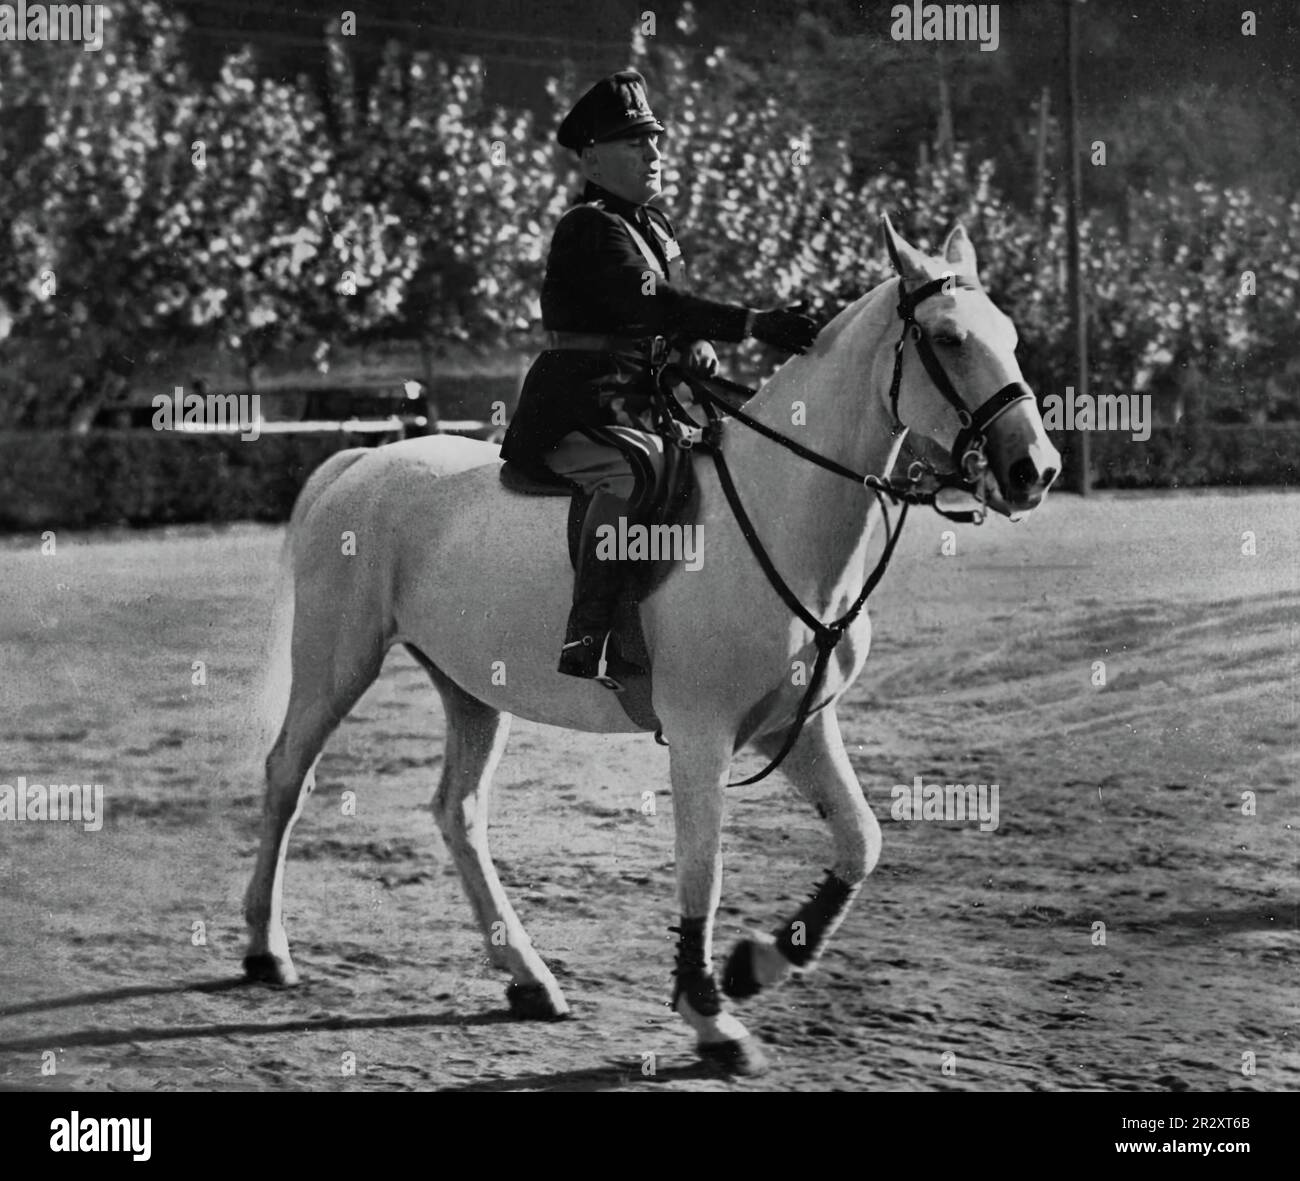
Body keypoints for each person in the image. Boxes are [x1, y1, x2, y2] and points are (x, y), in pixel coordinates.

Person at [500, 68, 820, 690]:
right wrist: (750, 323)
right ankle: (588, 632)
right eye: (633, 142)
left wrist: (688, 347)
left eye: (655, 140)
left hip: (643, 400)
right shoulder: (588, 226)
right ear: (591, 159)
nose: (653, 153)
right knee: (633, 470)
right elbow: (654, 303)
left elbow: (660, 316)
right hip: (579, 407)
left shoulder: (657, 226)